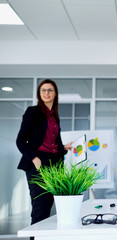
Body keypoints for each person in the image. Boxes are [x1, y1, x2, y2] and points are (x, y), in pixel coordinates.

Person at [16, 79, 72, 225]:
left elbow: (54, 143)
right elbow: (20, 140)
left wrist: (63, 147)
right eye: (43, 90)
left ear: (55, 94)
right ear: (39, 94)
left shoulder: (54, 116)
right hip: (38, 165)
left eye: (50, 90)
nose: (46, 93)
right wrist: (34, 158)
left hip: (54, 165)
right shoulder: (33, 112)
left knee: (48, 207)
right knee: (40, 209)